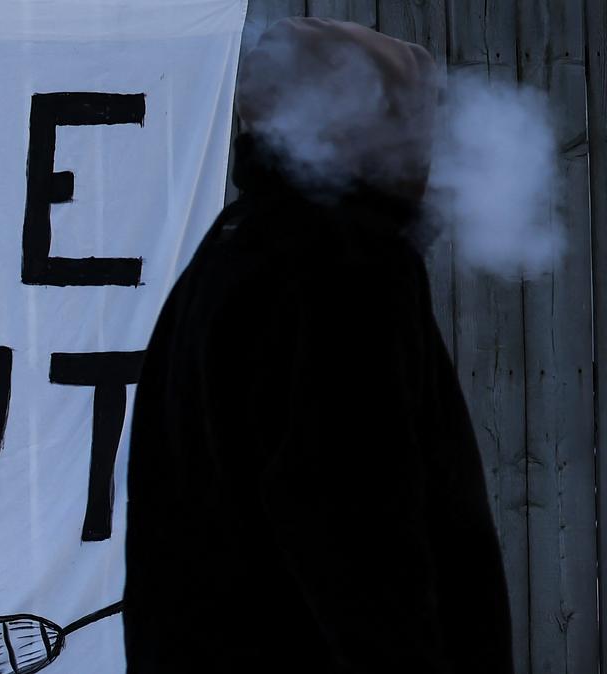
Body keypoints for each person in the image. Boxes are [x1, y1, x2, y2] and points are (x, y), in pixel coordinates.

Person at [123, 18, 513, 673]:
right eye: (410, 113)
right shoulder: (345, 261)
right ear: (362, 118)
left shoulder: (237, 242)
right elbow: (356, 519)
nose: (430, 143)